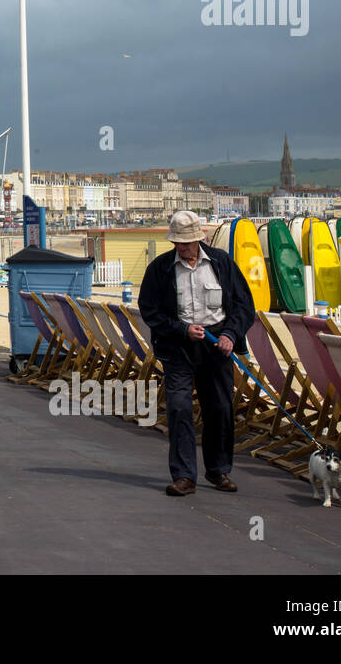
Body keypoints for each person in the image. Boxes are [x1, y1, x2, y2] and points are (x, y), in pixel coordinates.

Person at [138, 210, 256, 497]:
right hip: (178, 347)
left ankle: (218, 470)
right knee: (179, 408)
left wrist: (230, 335)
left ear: (201, 238)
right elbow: (149, 310)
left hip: (216, 346)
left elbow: (243, 306)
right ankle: (184, 476)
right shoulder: (160, 268)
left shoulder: (222, 263)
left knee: (220, 408)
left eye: (188, 243)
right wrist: (181, 330)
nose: (183, 248)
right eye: (178, 243)